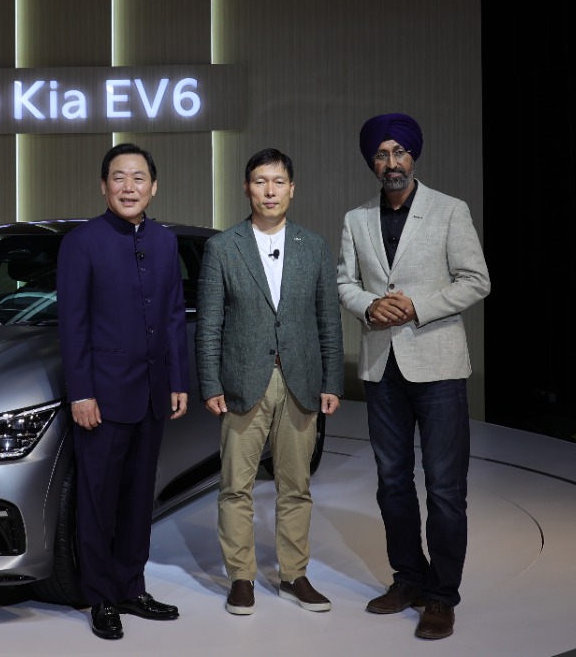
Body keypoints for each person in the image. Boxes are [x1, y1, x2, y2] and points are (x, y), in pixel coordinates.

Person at [337, 113, 491, 641]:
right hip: (382, 368)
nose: (392, 162)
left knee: (445, 489)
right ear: (372, 162)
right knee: (392, 482)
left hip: (439, 366)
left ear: (413, 155)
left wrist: (417, 307)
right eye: (382, 154)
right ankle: (408, 579)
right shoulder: (356, 219)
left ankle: (442, 596)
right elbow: (345, 282)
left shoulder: (450, 210)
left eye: (399, 152)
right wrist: (369, 305)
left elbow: (476, 280)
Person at [196, 148, 343, 617]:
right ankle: (241, 578)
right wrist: (210, 382)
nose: (270, 191)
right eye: (260, 182)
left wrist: (332, 380)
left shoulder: (314, 246)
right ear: (247, 188)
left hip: (301, 381)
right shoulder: (224, 247)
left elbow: (328, 320)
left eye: (278, 182)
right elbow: (210, 324)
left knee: (295, 487)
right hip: (243, 381)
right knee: (235, 487)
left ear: (292, 189)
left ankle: (294, 575)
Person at [57, 142, 190, 641]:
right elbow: (72, 325)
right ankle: (100, 596)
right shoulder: (83, 242)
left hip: (153, 393)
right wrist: (81, 392)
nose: (129, 187)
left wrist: (178, 380)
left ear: (153, 186)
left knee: (138, 500)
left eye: (138, 178)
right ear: (103, 186)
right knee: (97, 501)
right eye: (119, 177)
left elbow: (173, 315)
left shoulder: (164, 241)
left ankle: (131, 587)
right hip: (103, 397)